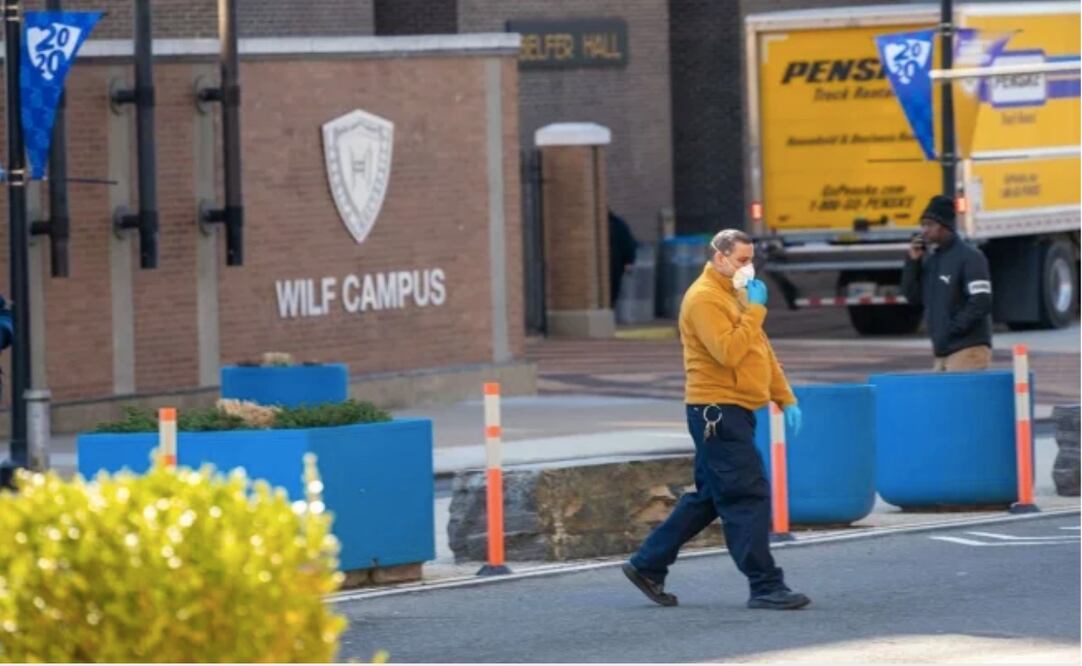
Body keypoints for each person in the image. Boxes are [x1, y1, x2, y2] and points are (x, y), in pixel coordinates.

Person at [621, 229, 810, 611]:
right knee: (746, 495)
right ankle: (766, 585)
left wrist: (784, 396)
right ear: (719, 258)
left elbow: (760, 349)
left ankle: (648, 564)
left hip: (733, 410)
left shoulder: (734, 294)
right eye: (741, 260)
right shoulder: (704, 299)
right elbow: (728, 352)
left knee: (709, 498)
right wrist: (756, 310)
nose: (748, 267)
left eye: (751, 259)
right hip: (717, 411)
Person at [901, 195, 993, 371]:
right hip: (942, 352)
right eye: (923, 225)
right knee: (940, 398)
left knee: (960, 399)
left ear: (945, 226)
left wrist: (952, 329)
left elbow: (981, 301)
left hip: (968, 350)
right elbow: (912, 297)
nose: (924, 230)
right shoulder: (932, 261)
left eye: (929, 224)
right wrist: (912, 262)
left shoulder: (970, 257)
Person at [608, 209, 638, 308]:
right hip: (613, 263)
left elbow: (628, 243)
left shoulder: (617, 224)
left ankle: (611, 308)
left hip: (615, 264)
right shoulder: (616, 224)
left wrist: (629, 261)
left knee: (613, 290)